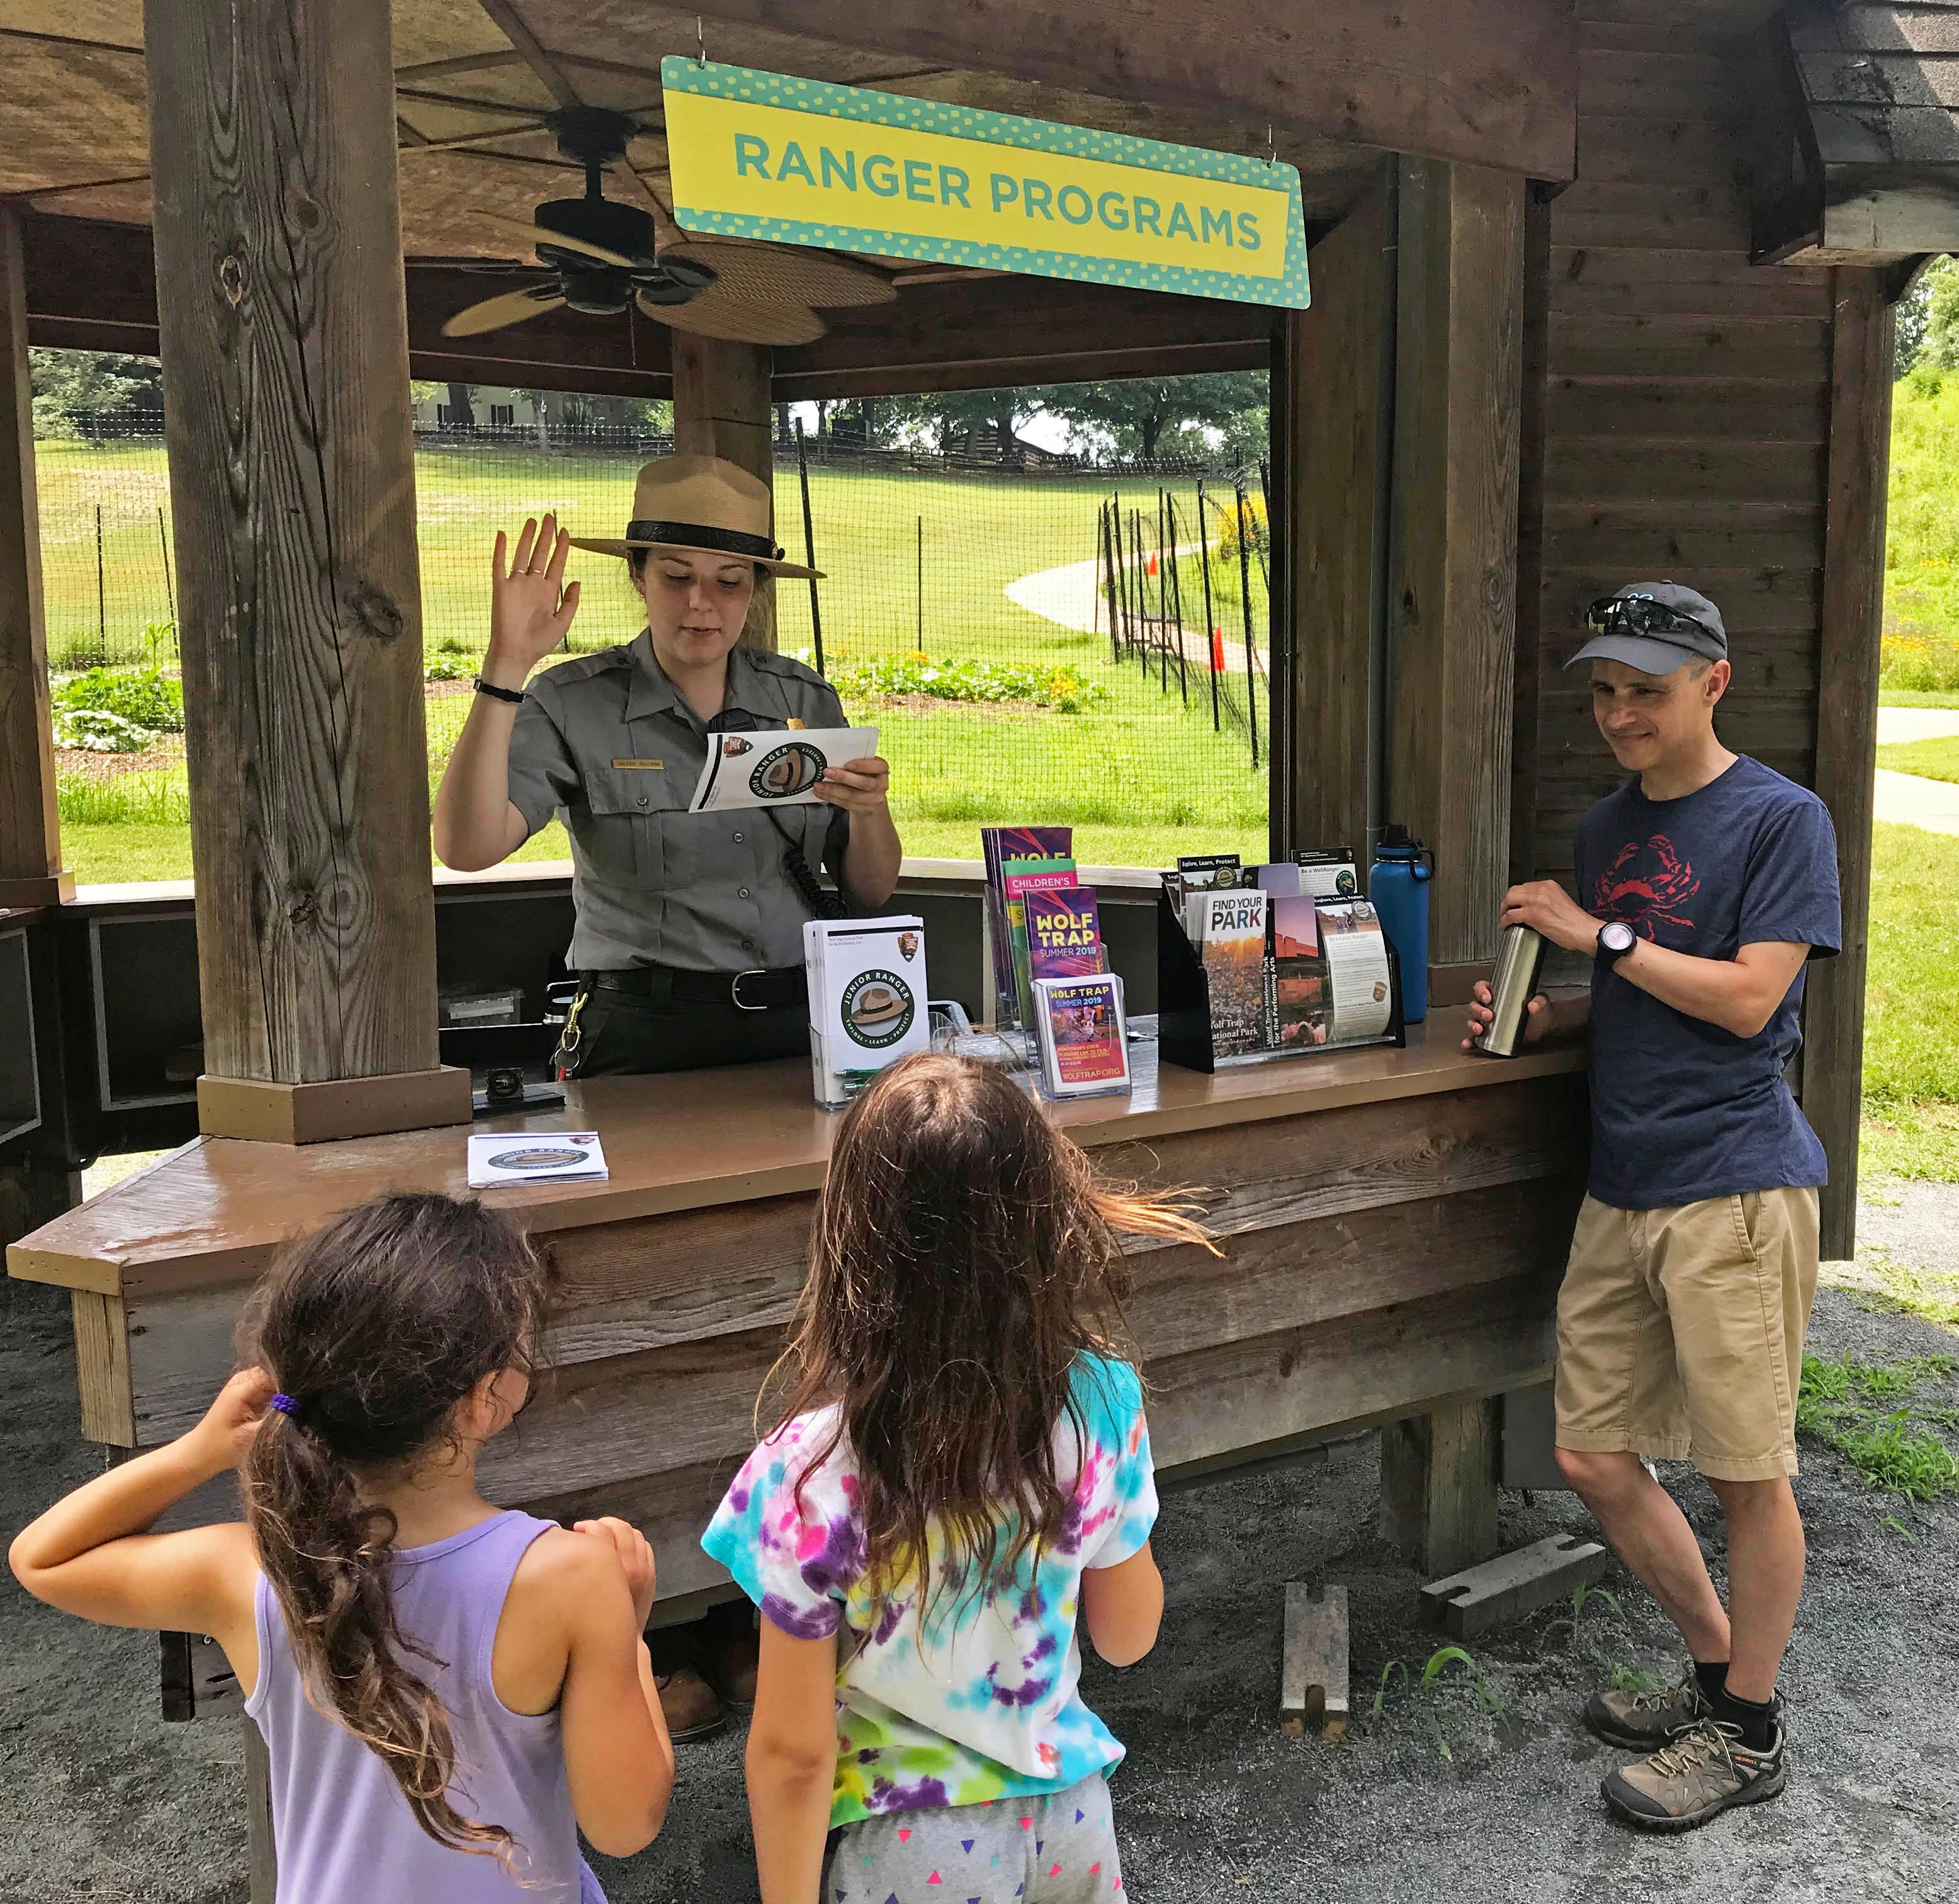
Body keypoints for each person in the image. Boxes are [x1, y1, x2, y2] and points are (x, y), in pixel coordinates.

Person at [9, 1193, 675, 1900]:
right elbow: (625, 1825)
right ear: (487, 1398)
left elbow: (44, 1558)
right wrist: (627, 1637)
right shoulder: (571, 1577)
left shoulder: (252, 1571)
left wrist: (197, 1453)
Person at [1465, 582, 1840, 1833]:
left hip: (1733, 1183)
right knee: (1588, 1451)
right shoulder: (1606, 827)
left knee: (1744, 1473)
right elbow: (1636, 996)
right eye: (1604, 689)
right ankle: (1717, 1675)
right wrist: (1547, 1014)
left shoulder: (1781, 821)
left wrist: (1596, 936)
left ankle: (1744, 1733)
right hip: (1618, 1186)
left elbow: (1744, 1001)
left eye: (1646, 688)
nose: (1618, 711)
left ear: (1712, 683)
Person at [704, 1053, 1214, 1903]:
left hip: (913, 1842)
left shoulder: (806, 1475)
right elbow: (1129, 1636)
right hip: (1072, 1818)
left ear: (855, 1244)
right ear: (1043, 1225)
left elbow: (792, 1752)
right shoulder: (1100, 1404)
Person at [432, 453, 903, 1079]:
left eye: (728, 582)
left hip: (801, 1025)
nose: (700, 604)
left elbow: (871, 889)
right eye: (677, 576)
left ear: (756, 587)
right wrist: (506, 667)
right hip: (640, 1036)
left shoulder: (803, 698)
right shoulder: (575, 702)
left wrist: (870, 811)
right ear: (637, 574)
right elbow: (465, 848)